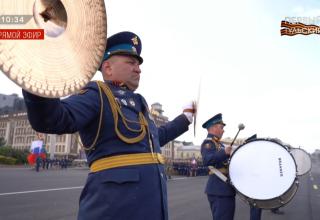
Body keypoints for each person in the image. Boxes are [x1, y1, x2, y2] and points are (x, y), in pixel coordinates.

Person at [22, 31, 195, 220]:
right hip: (114, 209)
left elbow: (155, 139)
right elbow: (55, 119)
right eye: (131, 62)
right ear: (108, 68)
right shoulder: (97, 93)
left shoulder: (140, 103)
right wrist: (38, 76)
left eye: (138, 64)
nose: (138, 69)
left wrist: (184, 119)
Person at [201, 113, 235, 220]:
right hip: (219, 189)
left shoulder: (220, 144)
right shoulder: (208, 143)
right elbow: (207, 159)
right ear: (213, 128)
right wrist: (224, 153)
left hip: (224, 189)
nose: (223, 130)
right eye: (221, 127)